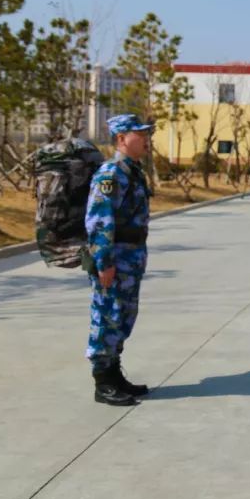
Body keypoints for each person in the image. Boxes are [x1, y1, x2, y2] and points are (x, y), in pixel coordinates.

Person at [85, 113, 154, 406]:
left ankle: (114, 375)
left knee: (123, 317)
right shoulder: (110, 173)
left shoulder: (132, 171)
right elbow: (99, 221)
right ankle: (103, 384)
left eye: (147, 133)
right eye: (140, 134)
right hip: (114, 260)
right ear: (121, 139)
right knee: (107, 317)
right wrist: (104, 262)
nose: (146, 139)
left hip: (130, 258)